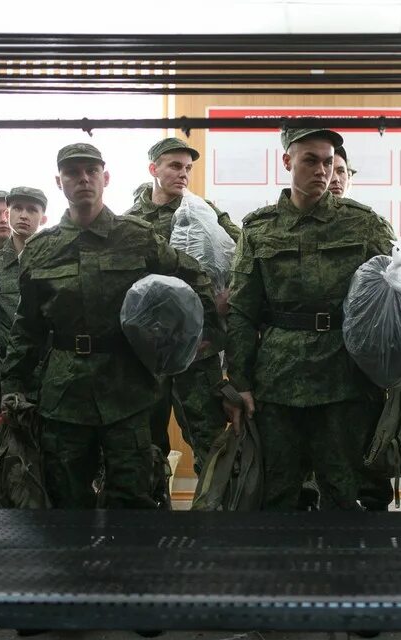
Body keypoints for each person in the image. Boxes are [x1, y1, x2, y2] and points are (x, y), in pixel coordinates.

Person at [1, 143, 220, 509]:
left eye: (91, 171)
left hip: (128, 392)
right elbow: (27, 329)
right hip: (64, 394)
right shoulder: (40, 249)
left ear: (106, 178)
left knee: (133, 499)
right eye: (73, 173)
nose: (83, 179)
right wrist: (13, 385)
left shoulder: (137, 236)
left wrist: (200, 339)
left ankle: (128, 568)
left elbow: (195, 277)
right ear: (60, 182)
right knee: (66, 500)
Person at [224, 127, 396, 510]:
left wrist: (394, 372)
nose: (322, 170)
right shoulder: (258, 228)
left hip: (345, 379)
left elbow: (397, 302)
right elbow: (241, 310)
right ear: (287, 162)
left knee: (344, 490)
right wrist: (239, 381)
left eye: (329, 162)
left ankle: (342, 569)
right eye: (310, 160)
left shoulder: (364, 224)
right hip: (278, 380)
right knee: (277, 492)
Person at [124, 137, 239, 474]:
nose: (183, 174)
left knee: (209, 438)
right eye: (175, 166)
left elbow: (243, 249)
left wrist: (228, 292)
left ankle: (215, 516)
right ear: (153, 169)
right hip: (147, 351)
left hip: (198, 347)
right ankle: (151, 515)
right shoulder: (130, 221)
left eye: (188, 168)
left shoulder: (203, 212)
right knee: (144, 440)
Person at [0, 187, 48, 458]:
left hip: (47, 380)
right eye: (18, 209)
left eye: (32, 210)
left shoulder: (54, 262)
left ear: (43, 218)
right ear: (8, 213)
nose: (24, 216)